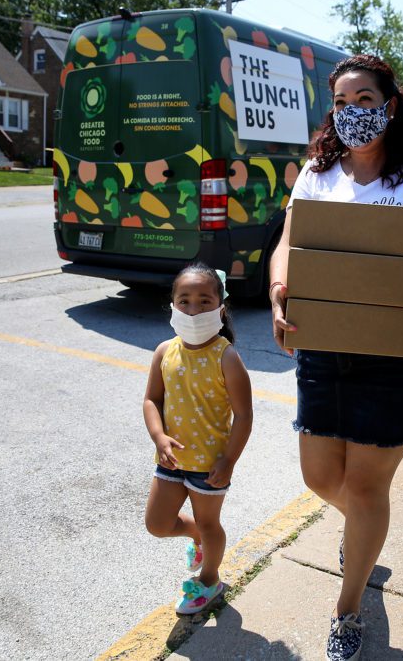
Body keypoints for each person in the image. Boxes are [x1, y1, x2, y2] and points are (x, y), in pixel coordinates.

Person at [267, 54, 403, 661]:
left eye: (365, 100)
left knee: (365, 483)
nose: (353, 112)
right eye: (342, 102)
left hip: (398, 357)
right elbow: (288, 245)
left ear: (389, 103)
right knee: (321, 479)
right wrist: (279, 289)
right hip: (324, 347)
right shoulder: (315, 175)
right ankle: (364, 536)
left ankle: (347, 608)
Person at [142, 263, 253, 616]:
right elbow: (151, 401)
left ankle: (210, 579)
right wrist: (159, 437)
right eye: (185, 300)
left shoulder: (227, 357)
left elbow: (244, 416)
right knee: (157, 524)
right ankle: (198, 539)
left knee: (210, 523)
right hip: (170, 462)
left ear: (221, 307)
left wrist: (229, 460)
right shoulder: (164, 352)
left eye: (204, 301)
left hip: (210, 466)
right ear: (173, 305)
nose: (193, 309)